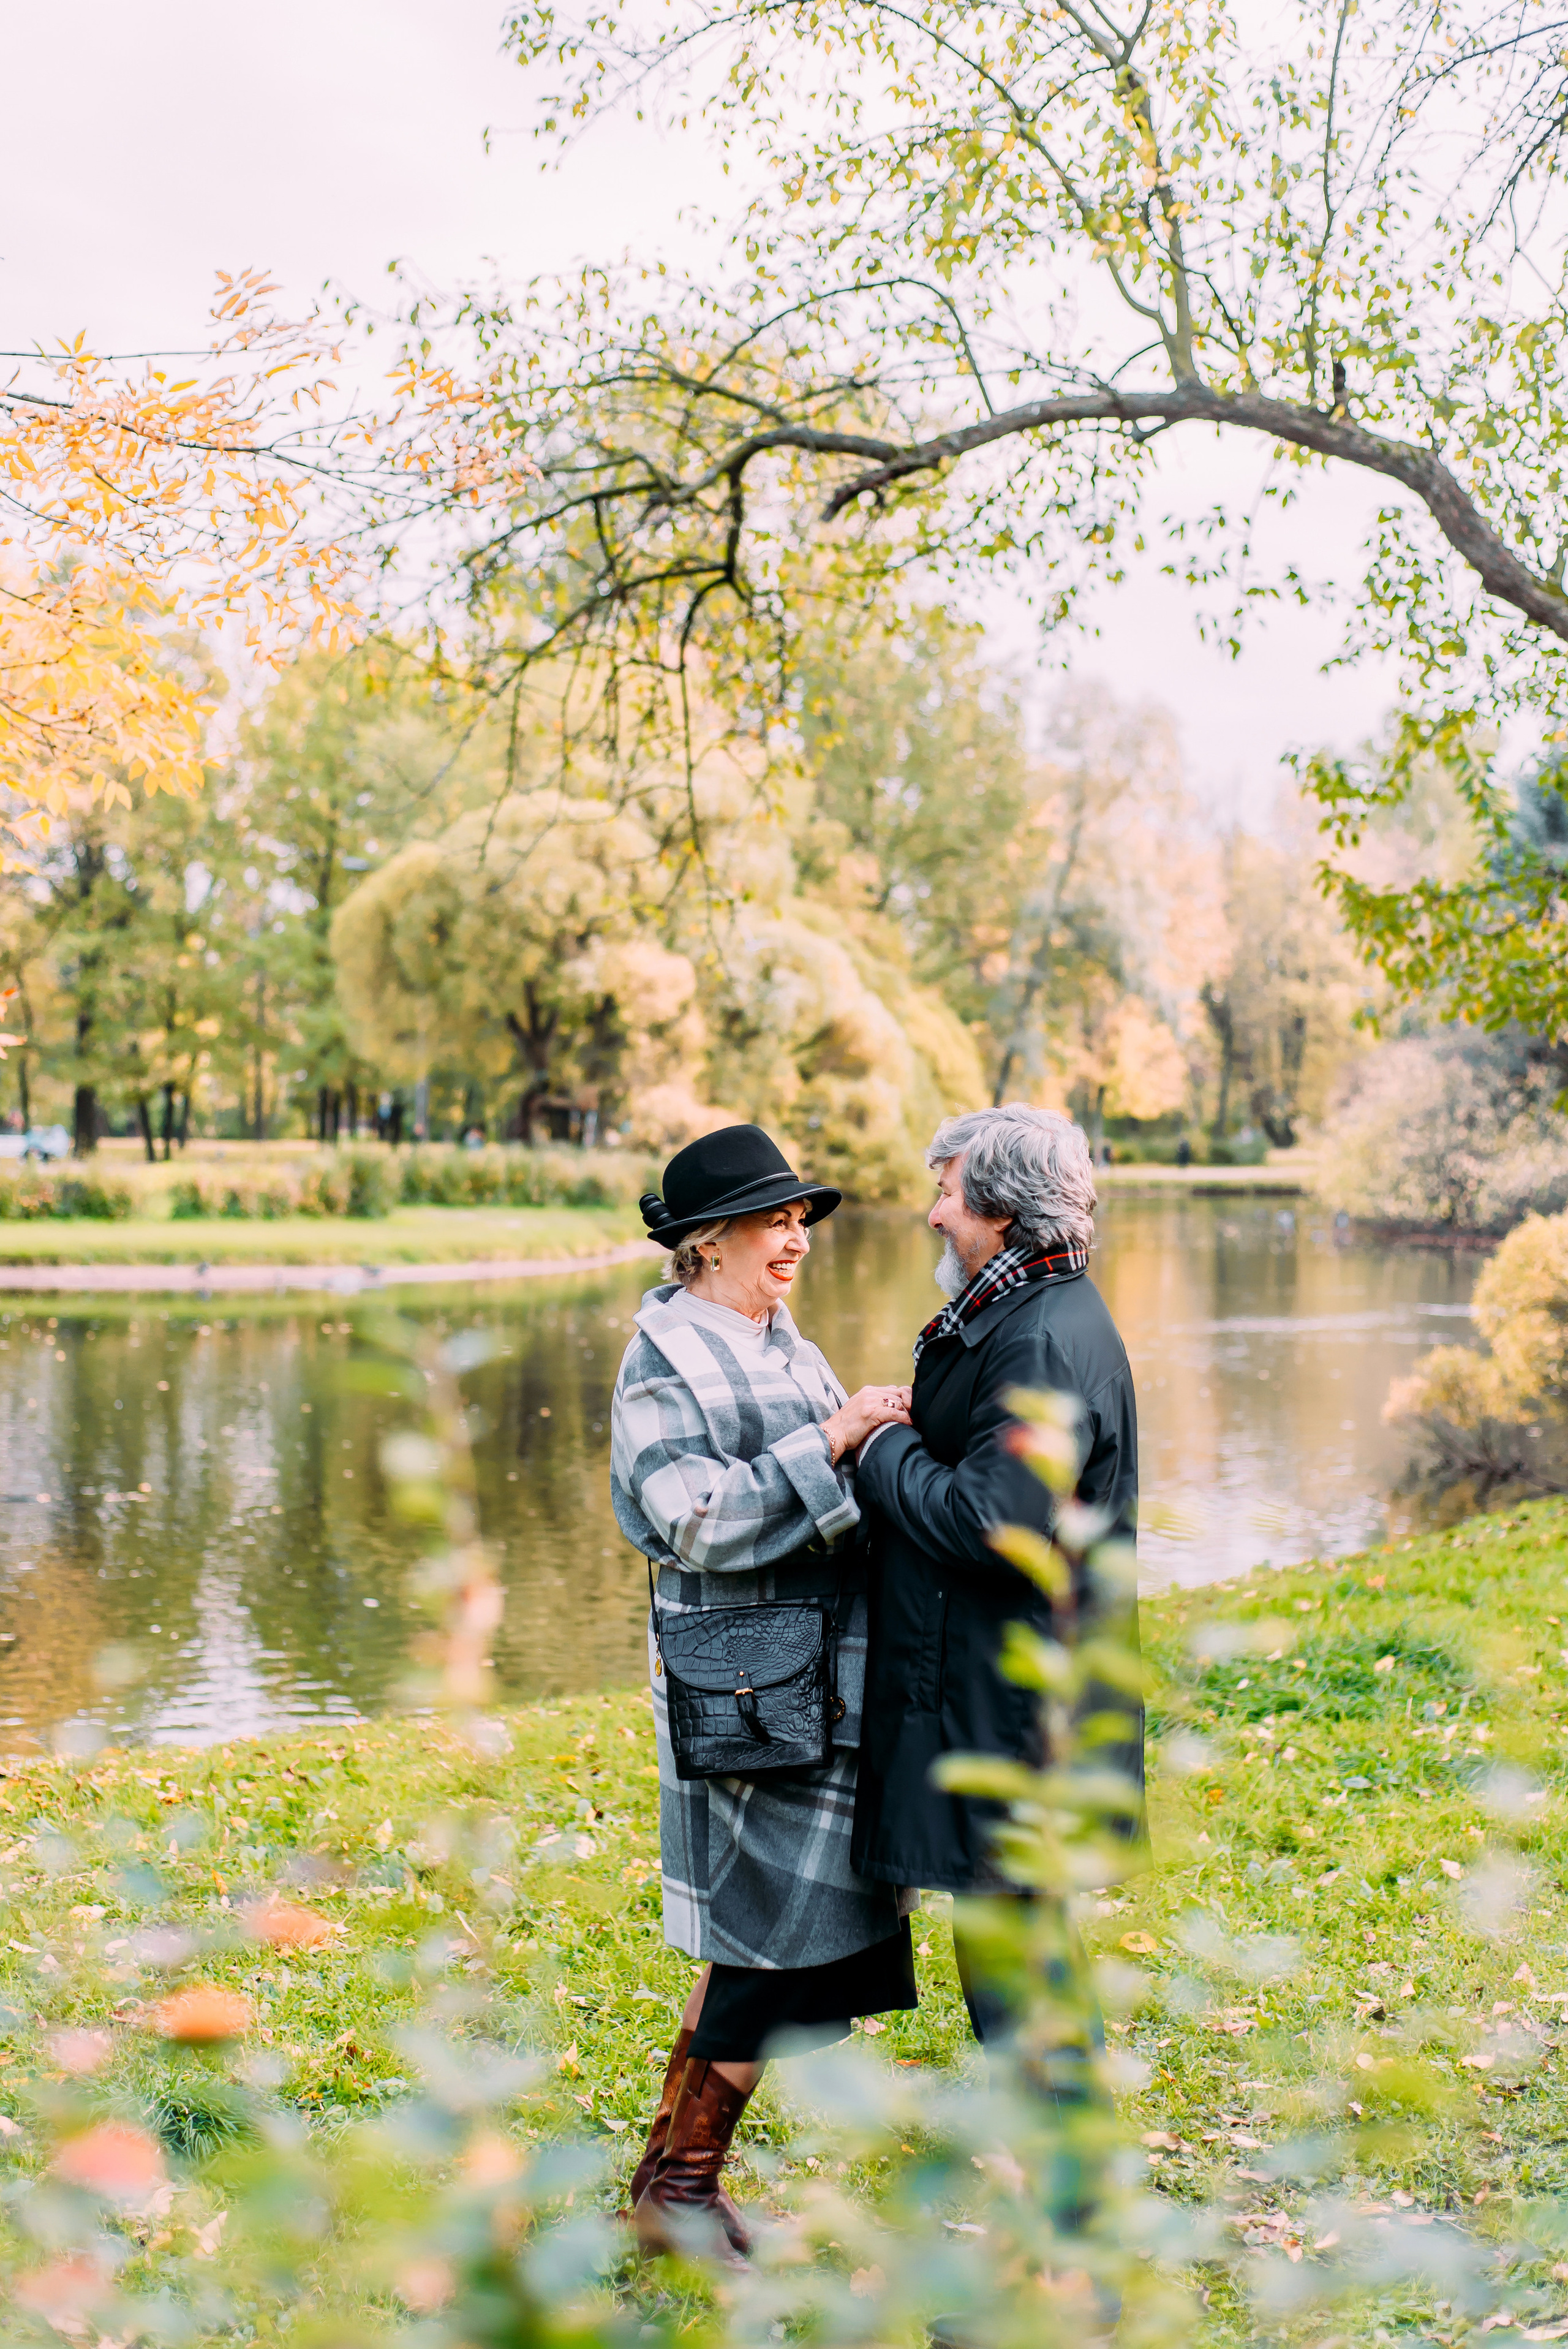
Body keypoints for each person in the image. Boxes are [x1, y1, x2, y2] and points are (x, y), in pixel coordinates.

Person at [610, 1123, 916, 2262]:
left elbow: (836, 1482)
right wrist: (835, 1435)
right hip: (743, 1683)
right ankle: (681, 2190)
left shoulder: (781, 1337)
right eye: (771, 1221)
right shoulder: (664, 1357)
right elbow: (691, 1518)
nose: (795, 1239)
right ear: (707, 1241)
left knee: (761, 1927)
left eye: (799, 1220)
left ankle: (667, 2182)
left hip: (818, 1677)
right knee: (768, 1935)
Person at [851, 1103, 1140, 2049]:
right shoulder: (1024, 1313)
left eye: (948, 1192)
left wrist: (882, 1447)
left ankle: (1065, 2147)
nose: (935, 1213)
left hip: (1015, 1705)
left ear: (1002, 1210)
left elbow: (990, 1523)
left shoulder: (1038, 1338)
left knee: (1015, 1961)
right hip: (1006, 1687)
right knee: (1014, 1947)